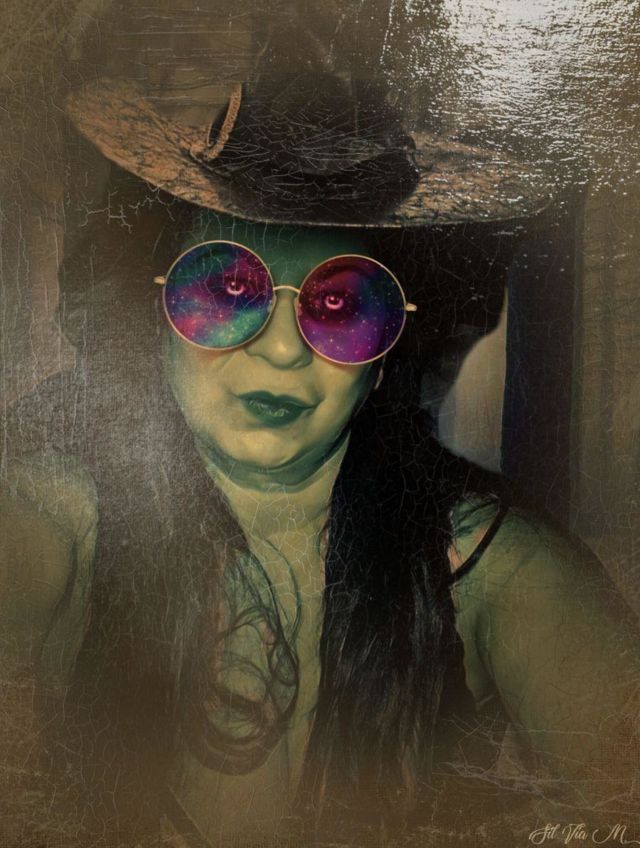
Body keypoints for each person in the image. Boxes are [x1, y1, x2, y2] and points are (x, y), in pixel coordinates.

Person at [2, 67, 640, 848]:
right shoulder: (58, 518)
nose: (281, 351)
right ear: (153, 307)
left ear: (386, 354)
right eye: (227, 287)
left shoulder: (490, 565)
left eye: (341, 303)